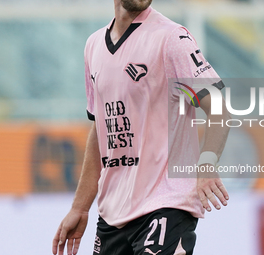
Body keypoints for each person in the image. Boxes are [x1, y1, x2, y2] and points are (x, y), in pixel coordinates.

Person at [52, 0, 231, 254]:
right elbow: (100, 129)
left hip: (166, 205)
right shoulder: (93, 46)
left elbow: (218, 108)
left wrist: (207, 162)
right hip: (113, 215)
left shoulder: (171, 38)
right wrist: (80, 208)